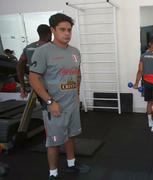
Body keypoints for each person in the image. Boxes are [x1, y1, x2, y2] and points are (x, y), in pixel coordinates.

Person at [29, 13, 90, 180]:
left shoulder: (75, 52)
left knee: (71, 135)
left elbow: (77, 74)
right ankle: (53, 174)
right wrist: (50, 101)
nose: (67, 33)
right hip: (54, 106)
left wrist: (77, 94)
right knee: (54, 141)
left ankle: (71, 164)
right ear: (53, 30)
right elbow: (34, 79)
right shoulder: (43, 52)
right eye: (62, 29)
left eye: (69, 30)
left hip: (71, 103)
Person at [17, 24, 51, 98]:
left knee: (45, 106)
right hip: (52, 86)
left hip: (36, 85)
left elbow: (19, 67)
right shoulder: (52, 48)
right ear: (49, 34)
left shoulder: (28, 48)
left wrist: (23, 87)